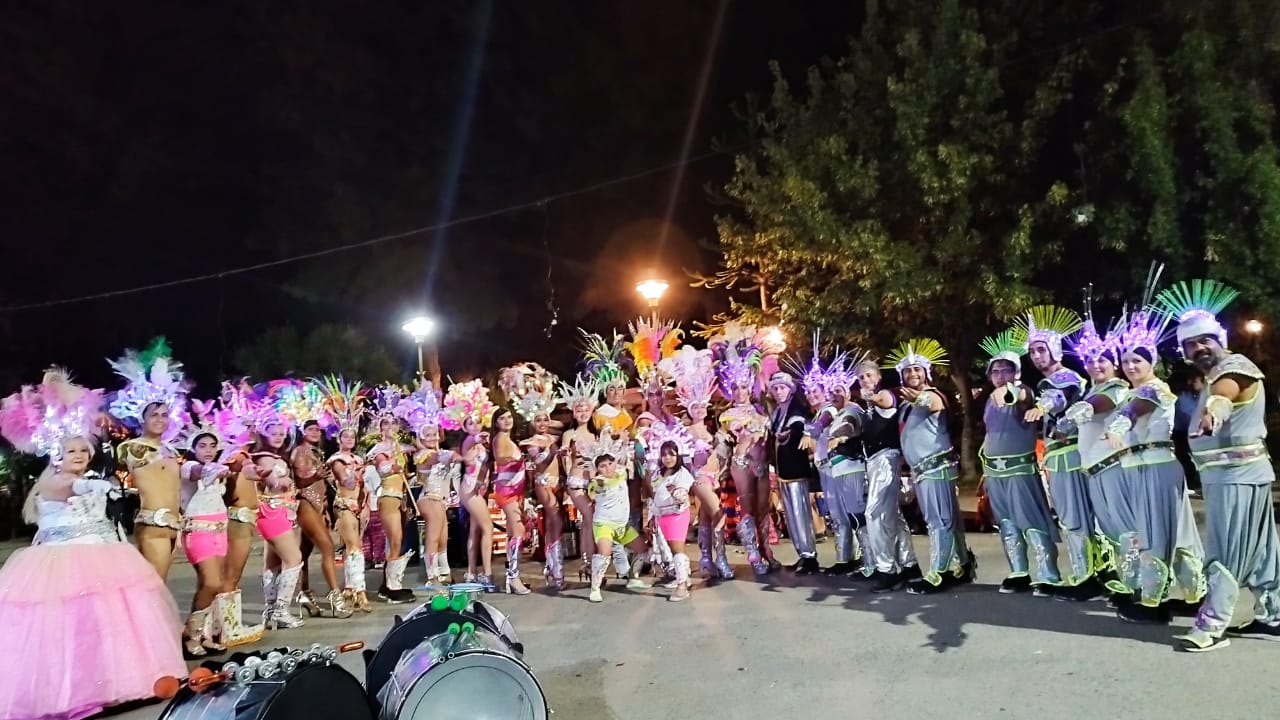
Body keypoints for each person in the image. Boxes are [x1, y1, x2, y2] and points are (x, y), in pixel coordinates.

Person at [0, 369, 186, 720]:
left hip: (105, 555)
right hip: (62, 563)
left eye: (83, 451)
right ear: (57, 455)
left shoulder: (89, 478)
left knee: (109, 625)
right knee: (71, 629)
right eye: (71, 451)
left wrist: (98, 486)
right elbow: (66, 490)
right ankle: (71, 693)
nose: (79, 455)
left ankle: (116, 685)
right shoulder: (53, 482)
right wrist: (88, 486)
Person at [1155, 280, 1280, 651]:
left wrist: (1215, 410)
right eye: (1191, 344)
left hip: (1235, 476)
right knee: (1260, 550)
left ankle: (1211, 626)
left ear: (1219, 338)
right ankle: (1274, 615)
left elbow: (1226, 394)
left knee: (1225, 549)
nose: (1199, 348)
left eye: (1204, 340)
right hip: (1236, 475)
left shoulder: (1234, 367)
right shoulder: (1212, 376)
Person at [1101, 307, 1205, 623]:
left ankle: (1153, 601)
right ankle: (1195, 595)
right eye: (1126, 361)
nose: (1131, 366)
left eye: (1138, 360)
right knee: (1176, 533)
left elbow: (1134, 411)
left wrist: (1117, 427)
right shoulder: (1134, 391)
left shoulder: (1153, 389)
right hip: (1141, 467)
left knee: (1153, 532)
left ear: (1152, 362)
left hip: (1156, 467)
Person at [1020, 305, 1105, 601]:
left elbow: (1057, 397)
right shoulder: (1053, 379)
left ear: (1055, 350)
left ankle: (1086, 576)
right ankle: (1092, 572)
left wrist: (1041, 407)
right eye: (1032, 352)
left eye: (1041, 350)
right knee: (1075, 516)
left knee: (1074, 517)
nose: (1036, 356)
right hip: (1060, 455)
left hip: (1068, 454)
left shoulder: (1064, 377)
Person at [884, 339, 975, 594]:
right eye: (908, 371)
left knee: (939, 520)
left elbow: (934, 404)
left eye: (917, 369)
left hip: (936, 467)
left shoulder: (933, 395)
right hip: (922, 470)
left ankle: (938, 573)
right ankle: (962, 565)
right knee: (947, 519)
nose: (913, 374)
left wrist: (921, 398)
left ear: (926, 372)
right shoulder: (906, 404)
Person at [978, 328, 1062, 596]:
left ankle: (1049, 574)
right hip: (994, 471)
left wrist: (1009, 391)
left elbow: (1019, 396)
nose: (1000, 375)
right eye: (995, 371)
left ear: (1017, 372)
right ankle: (1018, 572)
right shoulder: (990, 399)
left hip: (1020, 470)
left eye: (1006, 370)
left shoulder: (1021, 390)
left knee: (1032, 520)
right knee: (1006, 523)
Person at [108, 337, 189, 580]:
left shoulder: (170, 450)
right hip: (153, 525)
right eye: (154, 415)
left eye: (164, 415)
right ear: (141, 418)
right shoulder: (133, 448)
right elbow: (130, 463)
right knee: (155, 588)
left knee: (158, 586)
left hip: (174, 525)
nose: (160, 419)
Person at [660, 345, 734, 581]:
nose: (701, 410)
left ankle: (706, 560)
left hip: (714, 478)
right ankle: (721, 559)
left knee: (706, 517)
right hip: (699, 478)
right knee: (719, 513)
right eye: (696, 407)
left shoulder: (711, 430)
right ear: (690, 410)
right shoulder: (687, 432)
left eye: (703, 406)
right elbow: (685, 460)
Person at [851, 359, 921, 592]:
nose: (865, 380)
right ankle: (909, 565)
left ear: (878, 377)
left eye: (869, 375)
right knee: (893, 515)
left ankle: (887, 570)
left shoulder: (885, 394)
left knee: (874, 513)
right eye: (861, 377)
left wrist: (869, 396)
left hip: (886, 459)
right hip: (874, 462)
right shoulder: (867, 407)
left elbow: (884, 401)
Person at [711, 327, 775, 575]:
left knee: (763, 509)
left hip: (763, 464)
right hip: (742, 464)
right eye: (735, 388)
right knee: (747, 509)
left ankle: (766, 551)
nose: (739, 392)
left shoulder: (761, 411)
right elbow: (725, 442)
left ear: (750, 388)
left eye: (743, 387)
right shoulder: (727, 415)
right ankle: (753, 556)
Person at [500, 362, 565, 590]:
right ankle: (555, 570)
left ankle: (553, 569)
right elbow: (540, 462)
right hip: (543, 484)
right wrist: (554, 452)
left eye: (545, 419)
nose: (543, 423)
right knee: (555, 520)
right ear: (532, 422)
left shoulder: (553, 438)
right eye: (538, 420)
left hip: (559, 484)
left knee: (554, 525)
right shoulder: (530, 443)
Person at [176, 415, 235, 658]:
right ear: (193, 448)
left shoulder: (218, 469)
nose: (208, 450)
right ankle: (190, 635)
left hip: (220, 530)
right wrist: (216, 469)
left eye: (212, 445)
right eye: (202, 446)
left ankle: (202, 635)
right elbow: (199, 471)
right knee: (211, 583)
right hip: (198, 531)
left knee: (211, 586)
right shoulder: (188, 467)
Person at [245, 413, 308, 629]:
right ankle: (281, 610)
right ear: (264, 434)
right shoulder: (264, 457)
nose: (279, 437)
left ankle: (271, 610)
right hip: (273, 512)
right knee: (294, 558)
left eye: (281, 434)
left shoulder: (272, 455)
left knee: (272, 563)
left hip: (278, 512)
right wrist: (285, 480)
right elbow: (272, 483)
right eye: (274, 434)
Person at [317, 376, 373, 611]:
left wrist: (367, 503)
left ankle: (350, 588)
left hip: (360, 505)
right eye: (345, 436)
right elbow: (346, 481)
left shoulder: (358, 458)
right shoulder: (337, 459)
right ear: (338, 439)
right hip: (344, 505)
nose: (349, 439)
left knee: (354, 546)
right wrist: (358, 472)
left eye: (352, 436)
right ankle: (360, 592)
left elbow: (363, 485)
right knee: (355, 547)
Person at [400, 383, 459, 590]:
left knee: (442, 539)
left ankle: (445, 574)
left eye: (434, 434)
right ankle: (432, 577)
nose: (433, 438)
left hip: (440, 500)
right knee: (433, 538)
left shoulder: (438, 452)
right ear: (421, 437)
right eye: (428, 435)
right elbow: (443, 458)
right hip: (429, 498)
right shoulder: (424, 455)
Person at [291, 416, 351, 618]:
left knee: (304, 553)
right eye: (310, 429)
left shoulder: (316, 452)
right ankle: (336, 598)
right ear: (302, 432)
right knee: (327, 548)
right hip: (305, 503)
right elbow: (299, 482)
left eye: (317, 430)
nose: (315, 433)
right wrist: (317, 477)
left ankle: (304, 592)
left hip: (318, 506)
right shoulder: (301, 451)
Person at [443, 379, 498, 591]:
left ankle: (472, 572)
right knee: (488, 527)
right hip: (470, 489)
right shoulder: (468, 441)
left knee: (475, 530)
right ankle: (487, 574)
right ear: (464, 427)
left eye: (478, 422)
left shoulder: (481, 445)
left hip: (478, 490)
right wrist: (482, 436)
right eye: (471, 423)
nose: (476, 426)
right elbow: (476, 439)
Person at [368, 387, 417, 603]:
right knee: (395, 540)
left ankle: (389, 584)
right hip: (388, 496)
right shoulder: (380, 448)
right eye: (385, 423)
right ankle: (392, 588)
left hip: (399, 497)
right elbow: (383, 467)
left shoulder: (399, 447)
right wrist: (392, 466)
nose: (390, 427)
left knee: (397, 541)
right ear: (380, 427)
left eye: (393, 423)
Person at [585, 449, 651, 603]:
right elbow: (593, 492)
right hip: (604, 525)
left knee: (642, 549)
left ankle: (632, 579)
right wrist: (595, 481)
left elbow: (627, 462)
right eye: (603, 466)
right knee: (604, 554)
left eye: (610, 463)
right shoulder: (598, 481)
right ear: (597, 469)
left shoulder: (622, 473)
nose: (608, 468)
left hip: (622, 525)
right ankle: (595, 589)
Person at [647, 438, 697, 601]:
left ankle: (682, 586)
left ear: (678, 455)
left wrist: (675, 492)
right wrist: (652, 516)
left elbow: (682, 495)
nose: (667, 458)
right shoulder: (658, 473)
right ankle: (684, 578)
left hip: (677, 515)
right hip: (662, 516)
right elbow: (655, 496)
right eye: (664, 455)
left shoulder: (683, 474)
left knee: (677, 549)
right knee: (673, 549)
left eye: (671, 454)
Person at [490, 407, 532, 595]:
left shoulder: (508, 439)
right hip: (507, 491)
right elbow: (500, 459)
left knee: (512, 532)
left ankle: (511, 577)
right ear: (496, 422)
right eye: (502, 418)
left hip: (514, 490)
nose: (507, 421)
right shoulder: (500, 438)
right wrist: (522, 459)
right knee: (518, 531)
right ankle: (513, 577)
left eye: (509, 417)